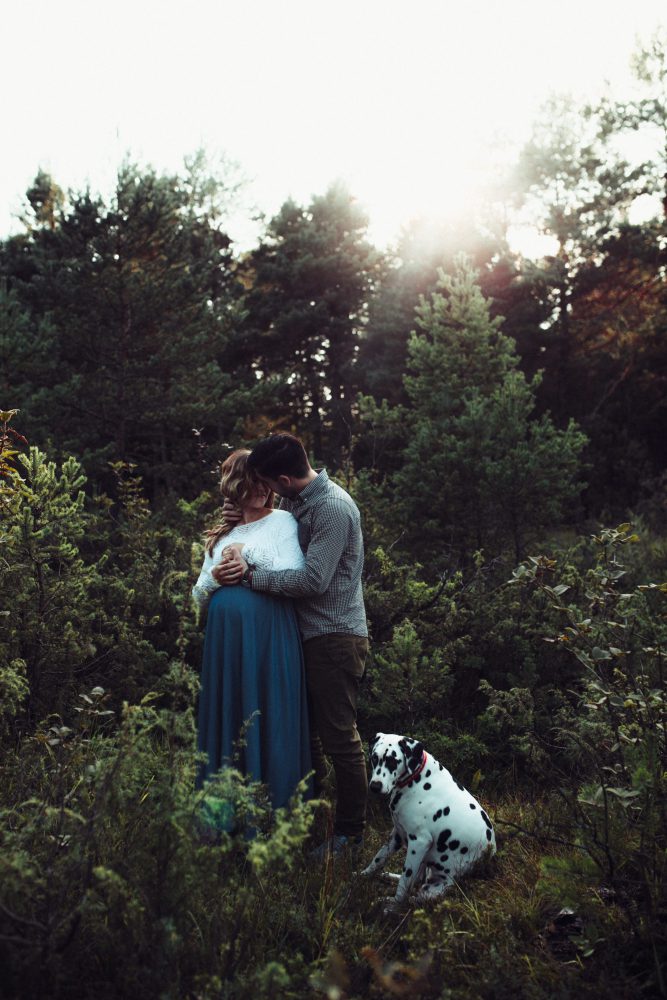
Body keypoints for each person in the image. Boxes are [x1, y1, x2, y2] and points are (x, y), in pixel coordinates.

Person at [213, 433, 369, 859]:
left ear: (284, 478)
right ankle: (313, 820)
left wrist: (247, 577)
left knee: (340, 738)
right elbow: (266, 526)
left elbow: (311, 581)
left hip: (334, 636)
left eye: (268, 483)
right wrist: (236, 513)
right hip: (300, 636)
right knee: (307, 737)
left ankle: (351, 836)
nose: (266, 492)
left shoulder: (333, 508)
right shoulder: (296, 500)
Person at [192, 449, 311, 825]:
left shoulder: (283, 522)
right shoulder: (222, 534)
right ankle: (223, 818)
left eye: (264, 482)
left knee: (267, 714)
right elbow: (197, 596)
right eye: (250, 483)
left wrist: (247, 553)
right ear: (234, 488)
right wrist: (217, 577)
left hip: (268, 640)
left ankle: (273, 818)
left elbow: (295, 569)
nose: (260, 490)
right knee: (230, 719)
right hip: (226, 646)